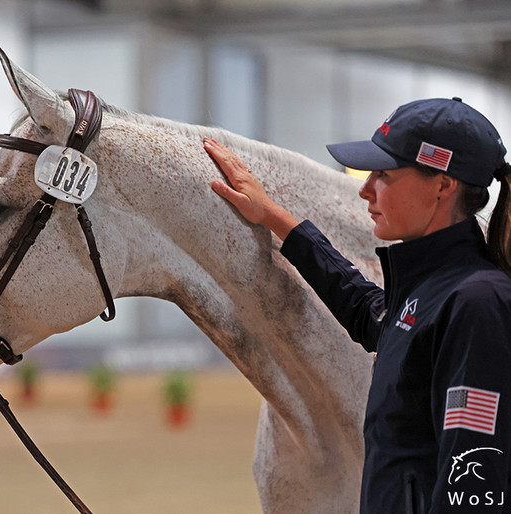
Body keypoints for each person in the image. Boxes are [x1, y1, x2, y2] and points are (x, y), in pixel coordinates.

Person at [205, 97, 511, 513]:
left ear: (442, 184)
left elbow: (474, 479)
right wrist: (274, 216)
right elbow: (369, 311)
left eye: (383, 174)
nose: (365, 189)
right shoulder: (431, 292)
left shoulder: (476, 303)